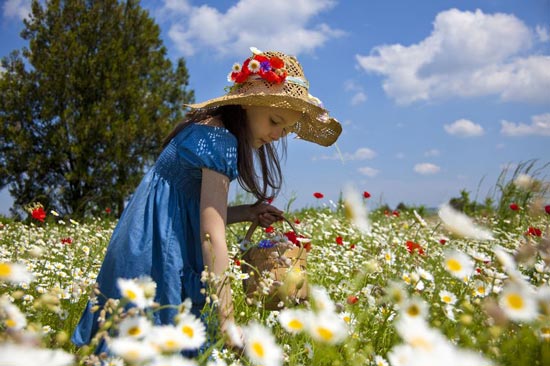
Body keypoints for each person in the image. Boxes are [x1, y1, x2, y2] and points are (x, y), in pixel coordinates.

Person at [71, 47, 342, 354]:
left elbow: (191, 208)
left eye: (286, 128)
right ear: (247, 105)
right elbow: (212, 237)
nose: (278, 134)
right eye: (275, 120)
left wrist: (248, 212)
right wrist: (227, 320)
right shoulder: (221, 141)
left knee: (128, 346)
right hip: (159, 256)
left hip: (139, 243)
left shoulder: (206, 128)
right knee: (159, 346)